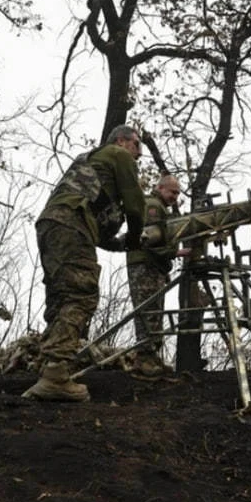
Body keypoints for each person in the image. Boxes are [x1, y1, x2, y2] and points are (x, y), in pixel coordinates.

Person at [23, 125, 146, 401]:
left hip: (51, 225)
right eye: (137, 145)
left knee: (61, 296)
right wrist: (137, 237)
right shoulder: (119, 155)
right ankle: (55, 376)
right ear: (122, 141)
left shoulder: (90, 163)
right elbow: (136, 205)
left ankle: (48, 369)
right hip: (72, 225)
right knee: (81, 295)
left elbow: (93, 224)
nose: (139, 154)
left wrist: (119, 242)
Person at [126, 174, 191, 376]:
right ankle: (144, 358)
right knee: (147, 310)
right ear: (161, 188)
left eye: (178, 193)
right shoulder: (153, 206)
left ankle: (152, 357)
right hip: (145, 264)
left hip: (152, 265)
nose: (175, 197)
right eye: (173, 192)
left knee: (155, 311)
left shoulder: (159, 206)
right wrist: (175, 252)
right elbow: (149, 239)